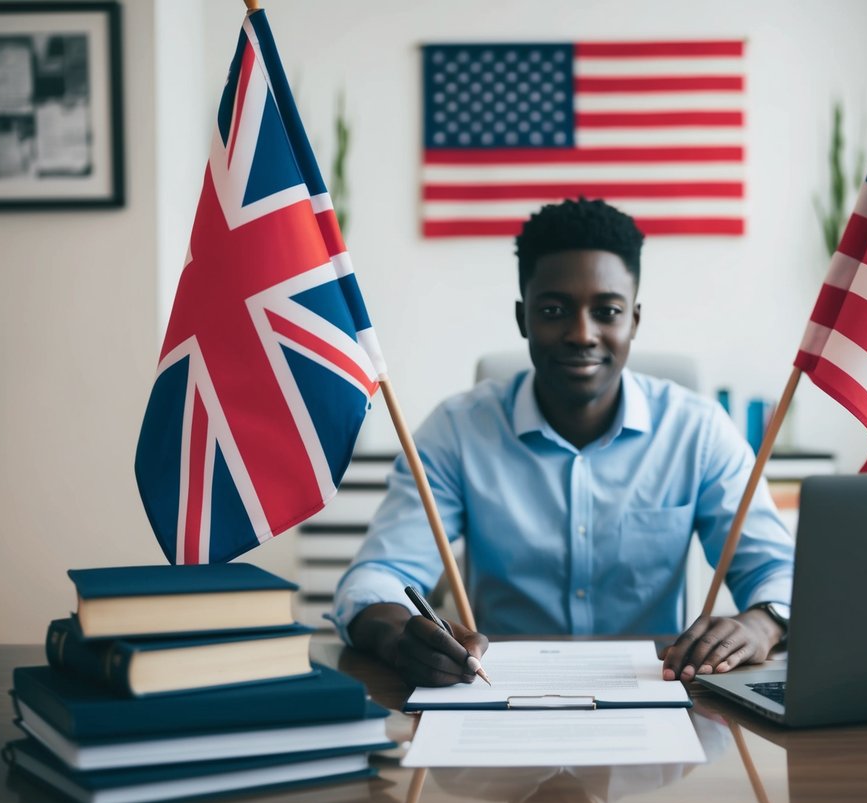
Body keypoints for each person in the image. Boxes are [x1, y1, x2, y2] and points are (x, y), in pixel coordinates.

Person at [329, 198, 793, 686]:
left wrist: (762, 623)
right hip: (496, 699)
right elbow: (375, 577)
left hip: (659, 699)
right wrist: (399, 635)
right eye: (553, 310)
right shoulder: (456, 432)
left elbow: (779, 571)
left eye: (607, 311)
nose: (581, 334)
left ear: (634, 320)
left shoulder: (698, 432)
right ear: (522, 318)